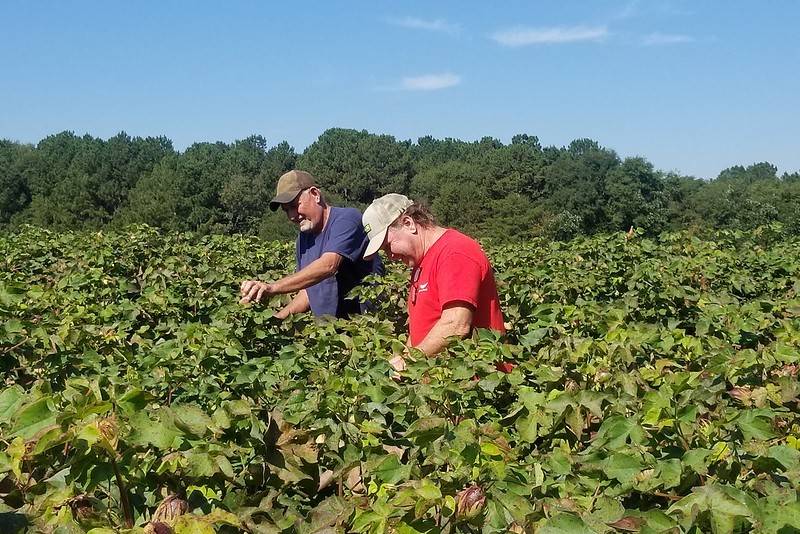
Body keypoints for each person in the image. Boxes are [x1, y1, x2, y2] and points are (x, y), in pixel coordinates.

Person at [361, 194, 505, 369]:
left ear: (408, 223)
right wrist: (404, 359)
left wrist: (409, 362)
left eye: (388, 245)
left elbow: (456, 325)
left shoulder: (454, 253)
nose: (390, 256)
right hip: (441, 384)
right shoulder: (422, 261)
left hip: (474, 383)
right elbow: (422, 326)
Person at [240, 170, 383, 319]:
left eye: (294, 206)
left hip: (364, 330)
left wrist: (272, 287)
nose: (292, 216)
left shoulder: (347, 219)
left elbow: (328, 266)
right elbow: (308, 291)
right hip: (329, 335)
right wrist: (277, 319)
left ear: (315, 194)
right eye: (286, 210)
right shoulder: (303, 240)